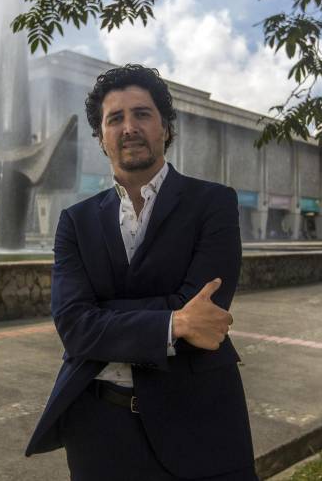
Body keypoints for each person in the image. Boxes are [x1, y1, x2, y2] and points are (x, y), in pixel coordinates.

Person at [26, 65, 258, 480]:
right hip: (98, 425)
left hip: (199, 421)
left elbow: (208, 316)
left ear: (166, 128)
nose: (129, 127)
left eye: (142, 114)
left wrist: (110, 315)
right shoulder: (75, 222)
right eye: (115, 119)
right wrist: (174, 322)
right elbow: (75, 326)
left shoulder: (213, 204)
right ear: (101, 138)